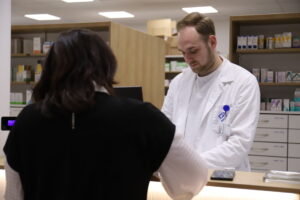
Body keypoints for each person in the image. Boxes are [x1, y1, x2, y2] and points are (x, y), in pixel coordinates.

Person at [3, 29, 208, 200]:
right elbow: (192, 180)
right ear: (107, 64)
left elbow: (13, 195)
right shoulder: (142, 117)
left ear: (50, 68)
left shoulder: (27, 120)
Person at [162, 12, 260, 171]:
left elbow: (239, 144)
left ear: (212, 42)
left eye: (193, 51)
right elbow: (164, 130)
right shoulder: (178, 83)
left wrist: (189, 164)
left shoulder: (243, 82)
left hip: (223, 177)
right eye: (182, 52)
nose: (187, 59)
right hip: (182, 176)